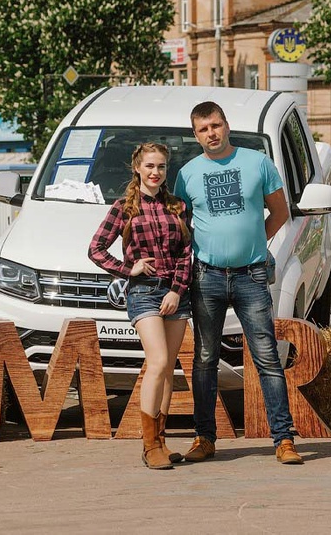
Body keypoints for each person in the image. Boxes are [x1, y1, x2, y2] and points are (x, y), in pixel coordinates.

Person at [174, 101, 304, 465]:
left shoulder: (257, 162)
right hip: (206, 276)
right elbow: (180, 226)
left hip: (251, 275)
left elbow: (280, 212)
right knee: (204, 359)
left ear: (227, 125)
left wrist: (255, 242)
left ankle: (284, 439)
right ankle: (204, 438)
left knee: (267, 357)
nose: (211, 133)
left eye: (215, 125)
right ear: (195, 135)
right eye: (203, 129)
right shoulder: (186, 174)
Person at [89, 142, 192, 470]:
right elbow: (96, 249)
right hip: (144, 292)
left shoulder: (177, 206)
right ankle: (148, 445)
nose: (155, 172)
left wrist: (176, 291)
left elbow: (186, 253)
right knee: (157, 361)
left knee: (168, 368)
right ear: (137, 168)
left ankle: (161, 441)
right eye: (149, 166)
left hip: (174, 294)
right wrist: (127, 269)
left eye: (161, 166)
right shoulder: (124, 207)